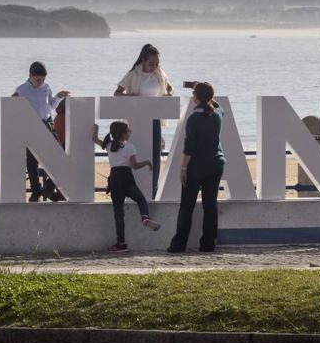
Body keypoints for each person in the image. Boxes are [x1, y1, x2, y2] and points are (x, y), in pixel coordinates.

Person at [168, 82, 225, 253]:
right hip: (216, 164)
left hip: (195, 167)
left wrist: (183, 168)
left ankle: (179, 244)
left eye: (194, 93)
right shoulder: (217, 114)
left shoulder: (194, 119)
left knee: (187, 206)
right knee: (210, 205)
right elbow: (216, 104)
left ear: (196, 98)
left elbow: (189, 148)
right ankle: (208, 244)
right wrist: (201, 88)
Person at [114, 44, 173, 199]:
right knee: (137, 154)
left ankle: (152, 191)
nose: (154, 66)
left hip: (154, 120)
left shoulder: (160, 73)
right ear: (143, 61)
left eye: (157, 63)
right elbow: (117, 93)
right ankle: (135, 190)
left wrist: (167, 96)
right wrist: (132, 98)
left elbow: (169, 89)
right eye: (151, 63)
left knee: (155, 155)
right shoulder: (133, 74)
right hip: (136, 121)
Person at [93, 122, 161, 252]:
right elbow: (134, 166)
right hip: (126, 178)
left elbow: (94, 139)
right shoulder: (130, 147)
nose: (129, 133)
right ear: (123, 133)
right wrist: (147, 162)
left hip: (114, 179)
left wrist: (96, 128)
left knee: (118, 212)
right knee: (140, 200)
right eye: (128, 131)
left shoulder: (108, 145)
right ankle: (145, 218)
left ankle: (121, 243)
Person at [13, 61, 69, 202]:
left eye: (43, 79)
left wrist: (58, 97)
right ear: (30, 76)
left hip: (47, 123)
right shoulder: (22, 89)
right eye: (38, 79)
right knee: (32, 161)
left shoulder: (46, 87)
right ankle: (36, 191)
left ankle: (49, 188)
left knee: (59, 155)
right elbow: (13, 106)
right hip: (31, 126)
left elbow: (50, 105)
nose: (40, 82)